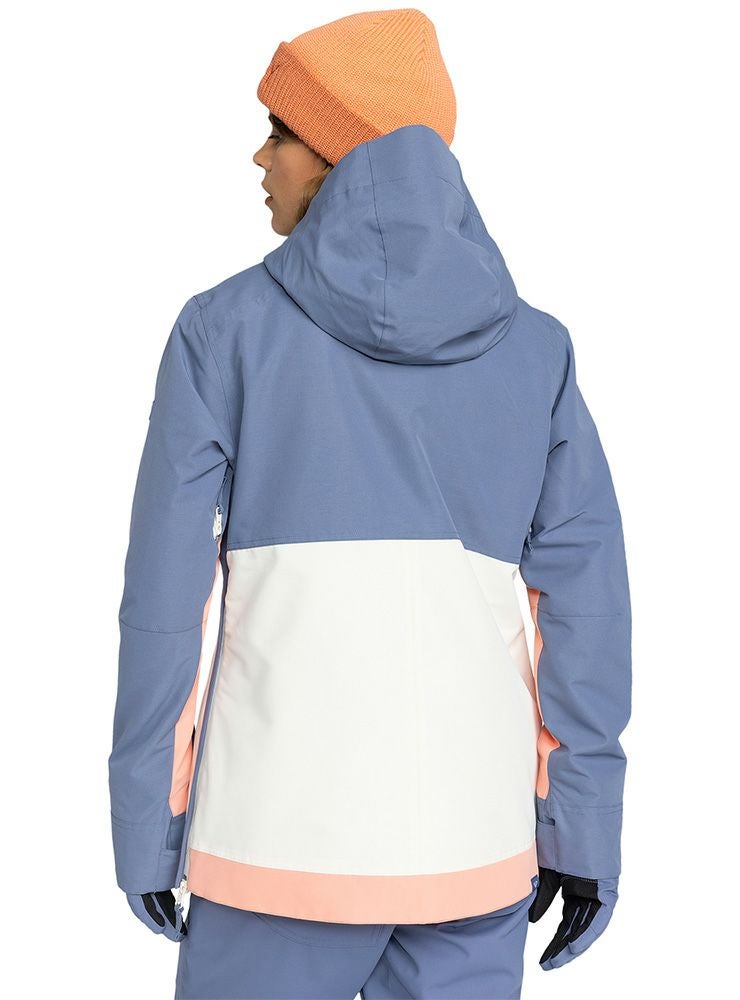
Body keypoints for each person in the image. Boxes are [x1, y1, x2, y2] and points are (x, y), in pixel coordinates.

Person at [108, 9, 632, 999]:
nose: (258, 156)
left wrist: (148, 823)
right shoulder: (536, 351)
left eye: (280, 131)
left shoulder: (221, 332)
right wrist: (582, 825)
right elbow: (584, 608)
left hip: (271, 850)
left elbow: (167, 605)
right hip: (472, 852)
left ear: (340, 152)